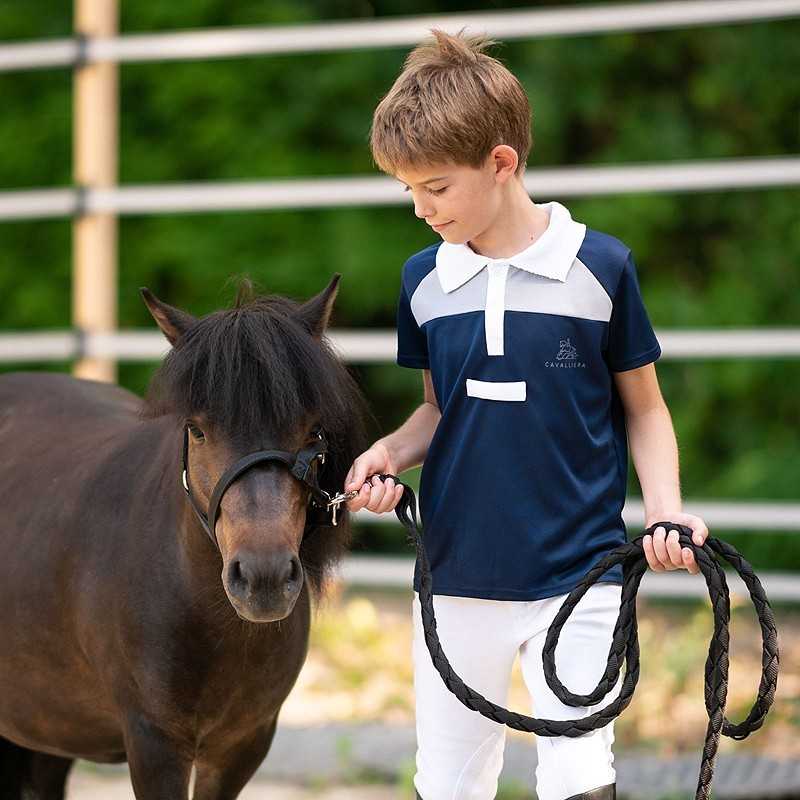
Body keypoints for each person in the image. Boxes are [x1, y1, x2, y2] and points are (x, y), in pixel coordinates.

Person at [344, 28, 709, 800]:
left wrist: (667, 516)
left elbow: (645, 411)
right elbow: (439, 412)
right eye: (408, 189)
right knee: (446, 784)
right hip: (456, 576)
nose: (419, 208)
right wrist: (388, 453)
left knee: (581, 779)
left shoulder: (599, 267)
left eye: (435, 187)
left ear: (501, 162)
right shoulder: (425, 283)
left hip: (579, 576)